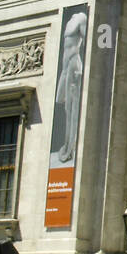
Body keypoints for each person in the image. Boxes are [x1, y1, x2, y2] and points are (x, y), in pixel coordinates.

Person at [55, 12, 87, 163]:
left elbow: (92, 41)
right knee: (66, 107)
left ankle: (70, 147)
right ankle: (67, 144)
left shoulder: (82, 18)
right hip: (65, 68)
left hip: (74, 64)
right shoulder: (70, 19)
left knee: (73, 109)